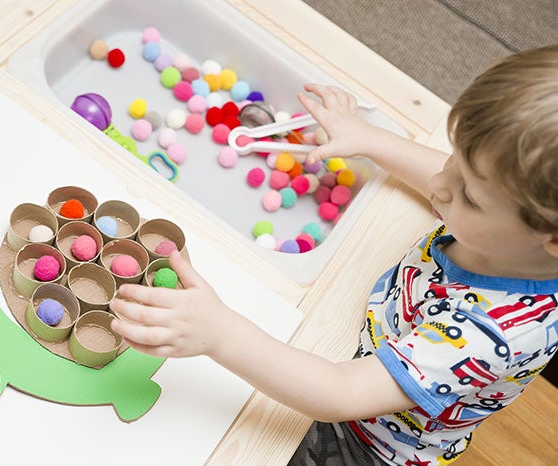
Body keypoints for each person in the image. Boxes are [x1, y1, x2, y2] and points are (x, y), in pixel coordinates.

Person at [109, 44, 558, 465]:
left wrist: (219, 335)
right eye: (453, 160)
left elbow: (340, 394)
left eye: (471, 198)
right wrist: (369, 138)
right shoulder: (510, 231)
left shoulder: (491, 333)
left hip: (369, 439)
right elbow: (444, 178)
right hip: (374, 343)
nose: (441, 185)